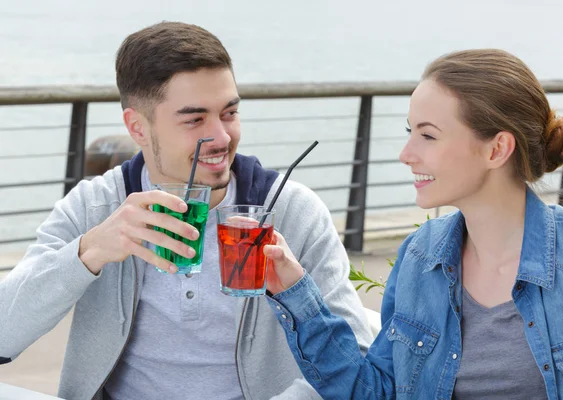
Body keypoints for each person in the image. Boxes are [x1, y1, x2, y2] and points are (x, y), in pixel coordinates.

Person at [0, 21, 373, 400]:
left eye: (229, 113)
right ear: (138, 127)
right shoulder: (95, 206)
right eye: (195, 119)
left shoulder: (293, 211)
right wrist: (88, 252)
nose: (223, 137)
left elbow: (356, 354)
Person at [263, 49, 563, 399]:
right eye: (411, 132)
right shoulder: (420, 256)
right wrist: (295, 289)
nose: (406, 154)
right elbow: (375, 393)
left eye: (428, 135)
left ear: (497, 149)